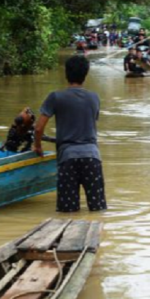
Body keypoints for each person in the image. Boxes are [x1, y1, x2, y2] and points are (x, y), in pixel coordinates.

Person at [34, 56, 106, 212]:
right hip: (92, 158)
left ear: (66, 74)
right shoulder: (94, 97)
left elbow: (38, 128)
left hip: (68, 159)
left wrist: (37, 146)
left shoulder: (55, 97)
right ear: (85, 75)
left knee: (68, 212)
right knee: (98, 210)